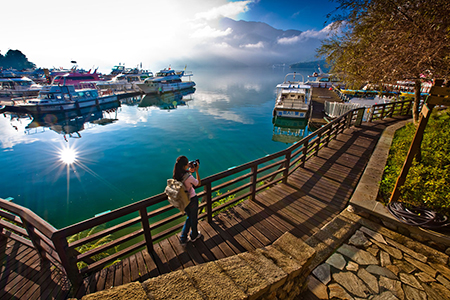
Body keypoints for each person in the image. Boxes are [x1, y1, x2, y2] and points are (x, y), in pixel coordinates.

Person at [173, 155, 202, 246]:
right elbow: (198, 183)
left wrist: (189, 171)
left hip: (184, 200)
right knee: (193, 218)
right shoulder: (188, 176)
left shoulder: (177, 175)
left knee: (190, 217)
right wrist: (196, 171)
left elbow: (185, 181)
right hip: (192, 199)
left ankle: (186, 236)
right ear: (185, 165)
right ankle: (191, 236)